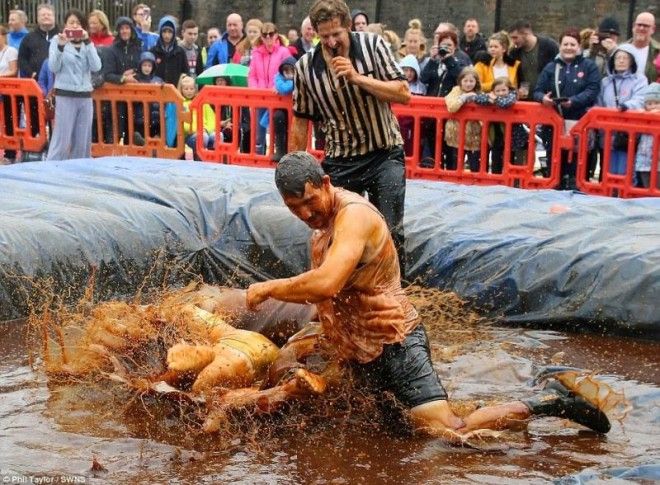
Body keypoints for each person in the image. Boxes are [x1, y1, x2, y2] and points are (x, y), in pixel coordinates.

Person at [243, 152, 611, 442]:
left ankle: (549, 399)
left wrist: (268, 287)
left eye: (310, 201)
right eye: (295, 209)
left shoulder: (353, 217)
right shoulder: (320, 229)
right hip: (357, 350)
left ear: (324, 183)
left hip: (395, 342)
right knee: (375, 429)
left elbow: (326, 284)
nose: (307, 213)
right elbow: (328, 297)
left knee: (448, 431)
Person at [290, 0, 411, 276]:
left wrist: (358, 78)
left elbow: (403, 92)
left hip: (384, 152)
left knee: (390, 228)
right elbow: (300, 118)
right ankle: (343, 292)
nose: (332, 42)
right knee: (337, 231)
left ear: (348, 27)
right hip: (341, 159)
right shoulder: (306, 67)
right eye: (325, 36)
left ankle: (397, 293)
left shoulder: (372, 46)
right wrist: (294, 166)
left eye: (337, 35)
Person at [534, 29, 600, 189]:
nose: (569, 47)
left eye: (572, 44)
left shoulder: (589, 66)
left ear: (578, 46)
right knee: (555, 165)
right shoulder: (551, 67)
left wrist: (574, 101)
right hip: (555, 126)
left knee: (578, 167)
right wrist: (544, 99)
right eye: (565, 44)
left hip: (580, 125)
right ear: (560, 46)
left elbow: (593, 89)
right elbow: (537, 90)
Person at [46, 9, 102, 161]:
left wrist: (88, 42)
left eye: (78, 23)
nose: (75, 26)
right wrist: (60, 47)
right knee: (62, 140)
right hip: (65, 94)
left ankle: (80, 173)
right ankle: (52, 170)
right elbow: (53, 67)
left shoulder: (87, 43)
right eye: (71, 22)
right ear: (65, 25)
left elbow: (96, 66)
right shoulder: (56, 41)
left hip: (85, 96)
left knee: (83, 141)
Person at [597, 44, 647, 175]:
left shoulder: (640, 80)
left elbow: (640, 99)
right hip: (608, 134)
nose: (621, 60)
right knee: (608, 171)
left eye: (625, 58)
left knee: (626, 171)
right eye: (618, 58)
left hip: (628, 134)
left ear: (632, 61)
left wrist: (626, 106)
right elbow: (599, 102)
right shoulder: (605, 82)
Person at [248, 22, 292, 155]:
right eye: (265, 35)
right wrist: (255, 90)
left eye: (271, 34)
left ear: (276, 35)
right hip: (260, 97)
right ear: (261, 36)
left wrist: (277, 86)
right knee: (258, 133)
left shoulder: (284, 52)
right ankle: (258, 157)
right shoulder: (256, 53)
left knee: (277, 130)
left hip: (278, 97)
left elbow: (289, 73)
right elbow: (252, 75)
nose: (268, 37)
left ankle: (278, 156)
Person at [474, 77, 529, 170]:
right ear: (493, 91)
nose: (501, 93)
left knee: (512, 163)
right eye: (497, 91)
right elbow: (477, 98)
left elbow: (505, 103)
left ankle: (513, 182)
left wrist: (494, 99)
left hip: (514, 137)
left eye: (504, 90)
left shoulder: (513, 95)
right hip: (497, 135)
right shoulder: (491, 96)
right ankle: (497, 180)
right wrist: (489, 97)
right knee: (496, 161)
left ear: (509, 89)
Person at [444, 66, 482, 172]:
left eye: (471, 81)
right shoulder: (456, 90)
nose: (468, 84)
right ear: (460, 81)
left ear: (476, 82)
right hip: (456, 135)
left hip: (474, 137)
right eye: (465, 81)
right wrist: (464, 97)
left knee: (475, 166)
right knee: (454, 166)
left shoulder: (479, 93)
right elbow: (451, 107)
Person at [508, 20, 558, 100]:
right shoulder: (514, 52)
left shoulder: (549, 46)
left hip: (547, 98)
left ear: (526, 34)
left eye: (515, 37)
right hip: (526, 99)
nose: (513, 41)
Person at [180, 74, 215, 160]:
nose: (189, 91)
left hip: (205, 131)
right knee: (203, 137)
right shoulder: (181, 103)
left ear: (195, 89)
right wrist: (197, 130)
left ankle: (213, 159)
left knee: (218, 136)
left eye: (191, 89)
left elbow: (212, 119)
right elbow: (183, 124)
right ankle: (199, 159)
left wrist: (207, 129)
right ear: (181, 90)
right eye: (186, 89)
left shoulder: (202, 102)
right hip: (190, 134)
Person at [397, 54, 426, 157]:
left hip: (414, 125)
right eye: (405, 70)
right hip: (398, 123)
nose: (408, 74)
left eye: (411, 71)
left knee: (412, 150)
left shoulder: (421, 88)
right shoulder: (394, 84)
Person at [133, 51, 164, 145]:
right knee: (141, 133)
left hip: (155, 116)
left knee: (154, 134)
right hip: (140, 116)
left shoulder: (158, 80)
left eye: (149, 66)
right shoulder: (135, 79)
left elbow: (165, 93)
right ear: (140, 66)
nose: (147, 68)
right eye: (144, 65)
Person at [634, 83, 660, 188]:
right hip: (643, 161)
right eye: (649, 103)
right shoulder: (643, 117)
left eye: (656, 103)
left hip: (658, 162)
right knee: (647, 187)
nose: (653, 106)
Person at [150, 16, 188, 86]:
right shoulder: (153, 51)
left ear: (174, 33)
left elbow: (185, 72)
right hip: (157, 90)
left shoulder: (180, 52)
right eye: (164, 31)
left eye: (170, 32)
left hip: (175, 90)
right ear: (160, 32)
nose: (167, 35)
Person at [0, 25, 19, 164]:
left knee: (9, 122)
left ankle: (10, 153)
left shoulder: (11, 51)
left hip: (8, 91)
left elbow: (13, 71)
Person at [272, 56, 297, 161]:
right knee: (279, 118)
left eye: (292, 71)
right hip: (281, 110)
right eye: (286, 70)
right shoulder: (278, 77)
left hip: (296, 110)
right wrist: (293, 82)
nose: (288, 73)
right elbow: (284, 88)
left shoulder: (302, 77)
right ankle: (280, 151)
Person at [624, 12, 659, 84]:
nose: (641, 28)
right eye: (639, 25)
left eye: (646, 26)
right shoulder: (621, 49)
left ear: (653, 29)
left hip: (650, 94)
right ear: (633, 26)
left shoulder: (658, 52)